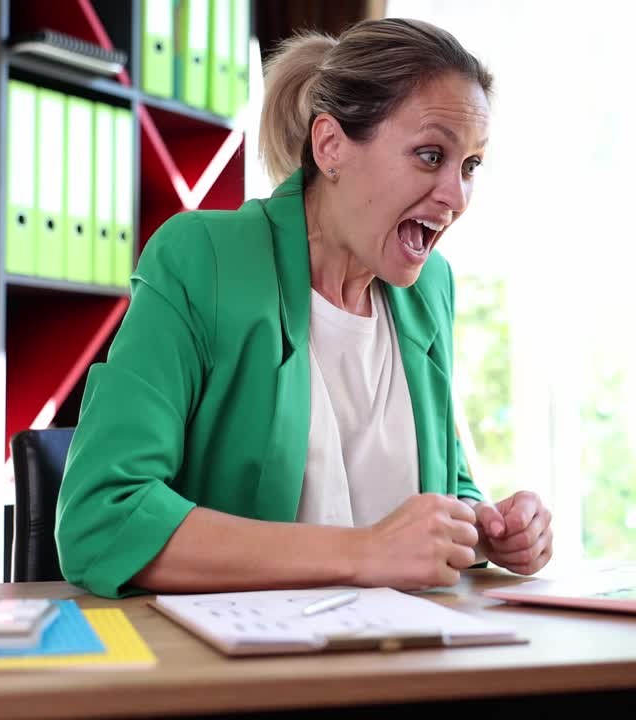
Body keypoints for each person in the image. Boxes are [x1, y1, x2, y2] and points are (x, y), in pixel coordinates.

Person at [55, 17, 554, 599]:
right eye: (429, 155)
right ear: (330, 146)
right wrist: (365, 553)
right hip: (247, 650)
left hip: (403, 643)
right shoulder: (203, 259)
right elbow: (103, 517)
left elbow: (442, 483)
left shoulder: (428, 288)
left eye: (469, 166)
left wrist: (489, 527)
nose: (456, 196)